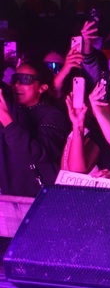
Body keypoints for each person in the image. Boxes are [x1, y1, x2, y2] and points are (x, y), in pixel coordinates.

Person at [0, 62, 70, 196]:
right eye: (15, 79)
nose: (17, 85)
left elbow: (38, 154)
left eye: (25, 80)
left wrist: (6, 119)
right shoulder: (11, 110)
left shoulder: (53, 115)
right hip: (8, 196)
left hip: (38, 198)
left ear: (42, 87)